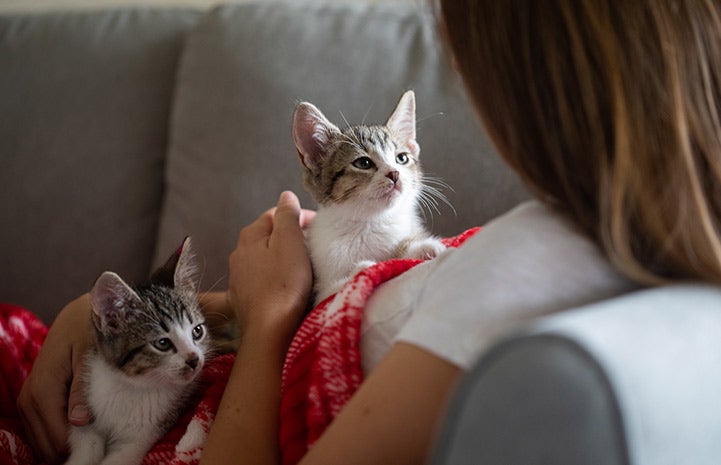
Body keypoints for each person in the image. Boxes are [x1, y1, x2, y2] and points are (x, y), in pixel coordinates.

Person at [17, 0, 721, 463]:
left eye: (457, 49)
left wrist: (266, 316)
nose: (453, 66)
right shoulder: (604, 247)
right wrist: (114, 314)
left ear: (515, 85)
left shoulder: (519, 267)